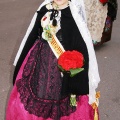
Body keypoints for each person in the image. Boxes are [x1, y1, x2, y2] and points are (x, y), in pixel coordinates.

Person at [6, 0, 100, 120]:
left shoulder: (73, 14)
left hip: (62, 69)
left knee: (61, 99)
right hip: (39, 63)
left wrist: (80, 80)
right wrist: (19, 67)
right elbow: (31, 36)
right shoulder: (45, 9)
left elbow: (81, 46)